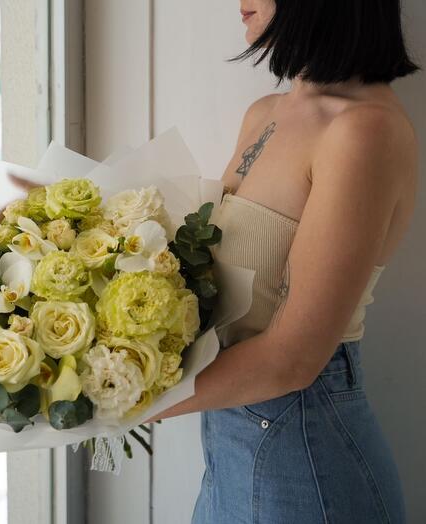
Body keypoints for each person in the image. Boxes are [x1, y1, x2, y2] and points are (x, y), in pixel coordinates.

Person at [143, 1, 419, 522]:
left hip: (306, 458)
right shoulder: (265, 113)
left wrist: (116, 404)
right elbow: (197, 273)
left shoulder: (364, 131)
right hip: (226, 450)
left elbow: (294, 359)